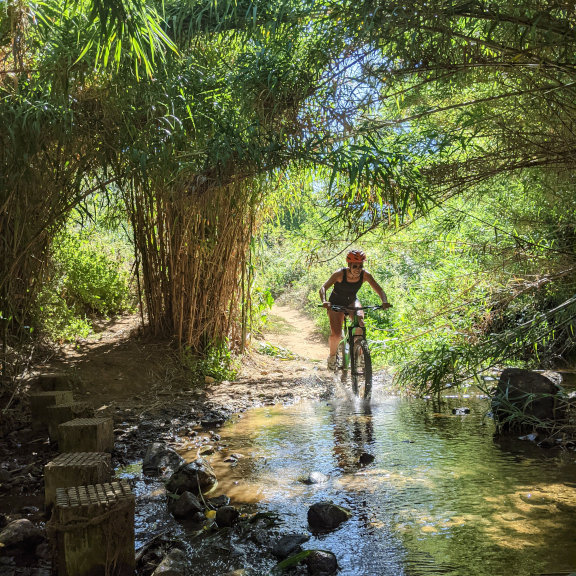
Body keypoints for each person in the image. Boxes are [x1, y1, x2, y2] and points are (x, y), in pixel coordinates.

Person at [319, 249, 391, 370]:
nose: (358, 269)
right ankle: (332, 357)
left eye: (361, 266)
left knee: (360, 324)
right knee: (336, 334)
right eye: (355, 266)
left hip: (352, 301)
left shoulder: (365, 275)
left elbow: (379, 290)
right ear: (349, 265)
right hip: (336, 303)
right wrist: (324, 301)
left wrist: (384, 301)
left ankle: (360, 354)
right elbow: (323, 288)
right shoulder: (339, 274)